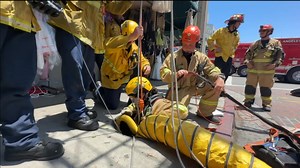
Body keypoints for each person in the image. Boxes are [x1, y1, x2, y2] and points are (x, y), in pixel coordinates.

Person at [0, 1, 64, 161]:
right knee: (15, 83)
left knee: (17, 82)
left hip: (20, 17)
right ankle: (22, 140)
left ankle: (22, 141)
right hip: (15, 16)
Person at [160, 25, 225, 124]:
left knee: (214, 86)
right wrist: (175, 75)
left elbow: (212, 69)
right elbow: (163, 72)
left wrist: (220, 78)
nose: (187, 47)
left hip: (196, 87)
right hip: (179, 90)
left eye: (190, 44)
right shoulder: (173, 57)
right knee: (179, 113)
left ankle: (205, 113)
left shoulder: (201, 57)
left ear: (196, 43)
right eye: (185, 44)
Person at [98, 20, 151, 110]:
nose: (133, 40)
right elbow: (107, 45)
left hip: (124, 78)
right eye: (133, 36)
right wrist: (129, 37)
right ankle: (98, 90)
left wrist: (146, 65)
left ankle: (132, 99)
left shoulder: (134, 47)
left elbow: (141, 59)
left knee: (140, 81)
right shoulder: (115, 42)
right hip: (111, 79)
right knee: (112, 106)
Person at [243, 25, 284, 112]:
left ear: (269, 32)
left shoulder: (275, 43)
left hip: (267, 72)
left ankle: (266, 104)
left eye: (263, 31)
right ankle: (248, 102)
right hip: (253, 71)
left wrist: (274, 65)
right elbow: (247, 55)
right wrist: (247, 62)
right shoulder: (255, 44)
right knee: (249, 87)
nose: (261, 32)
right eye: (260, 31)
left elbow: (280, 56)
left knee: (265, 88)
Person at [207, 14, 244, 81]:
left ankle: (220, 89)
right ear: (234, 23)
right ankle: (212, 90)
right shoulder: (221, 31)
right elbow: (210, 39)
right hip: (220, 57)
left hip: (229, 58)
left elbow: (236, 45)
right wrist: (214, 49)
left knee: (225, 77)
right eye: (239, 23)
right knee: (216, 76)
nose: (239, 25)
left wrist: (232, 52)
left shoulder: (237, 35)